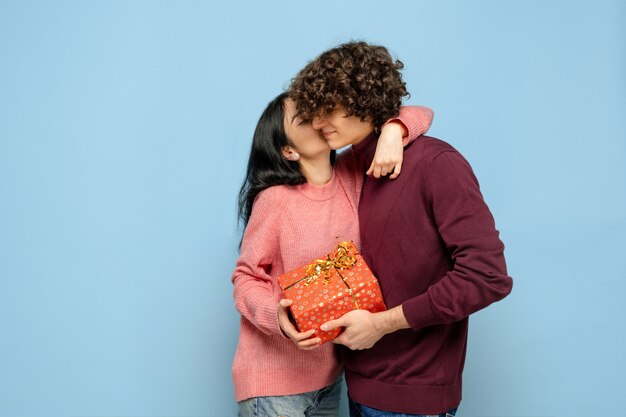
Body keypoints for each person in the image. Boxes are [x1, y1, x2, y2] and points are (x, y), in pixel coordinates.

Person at [289, 41, 513, 417]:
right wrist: (286, 314)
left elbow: (487, 277)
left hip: (415, 397)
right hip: (354, 384)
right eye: (313, 112)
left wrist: (381, 325)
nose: (317, 123)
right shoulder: (347, 168)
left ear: (365, 99)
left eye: (329, 109)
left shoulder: (437, 164)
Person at [232, 90, 433, 417]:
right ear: (289, 150)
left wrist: (393, 132)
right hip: (273, 382)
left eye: (316, 109)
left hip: (331, 376)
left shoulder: (353, 173)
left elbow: (422, 113)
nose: (317, 120)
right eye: (303, 118)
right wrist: (277, 316)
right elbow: (245, 277)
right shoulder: (275, 200)